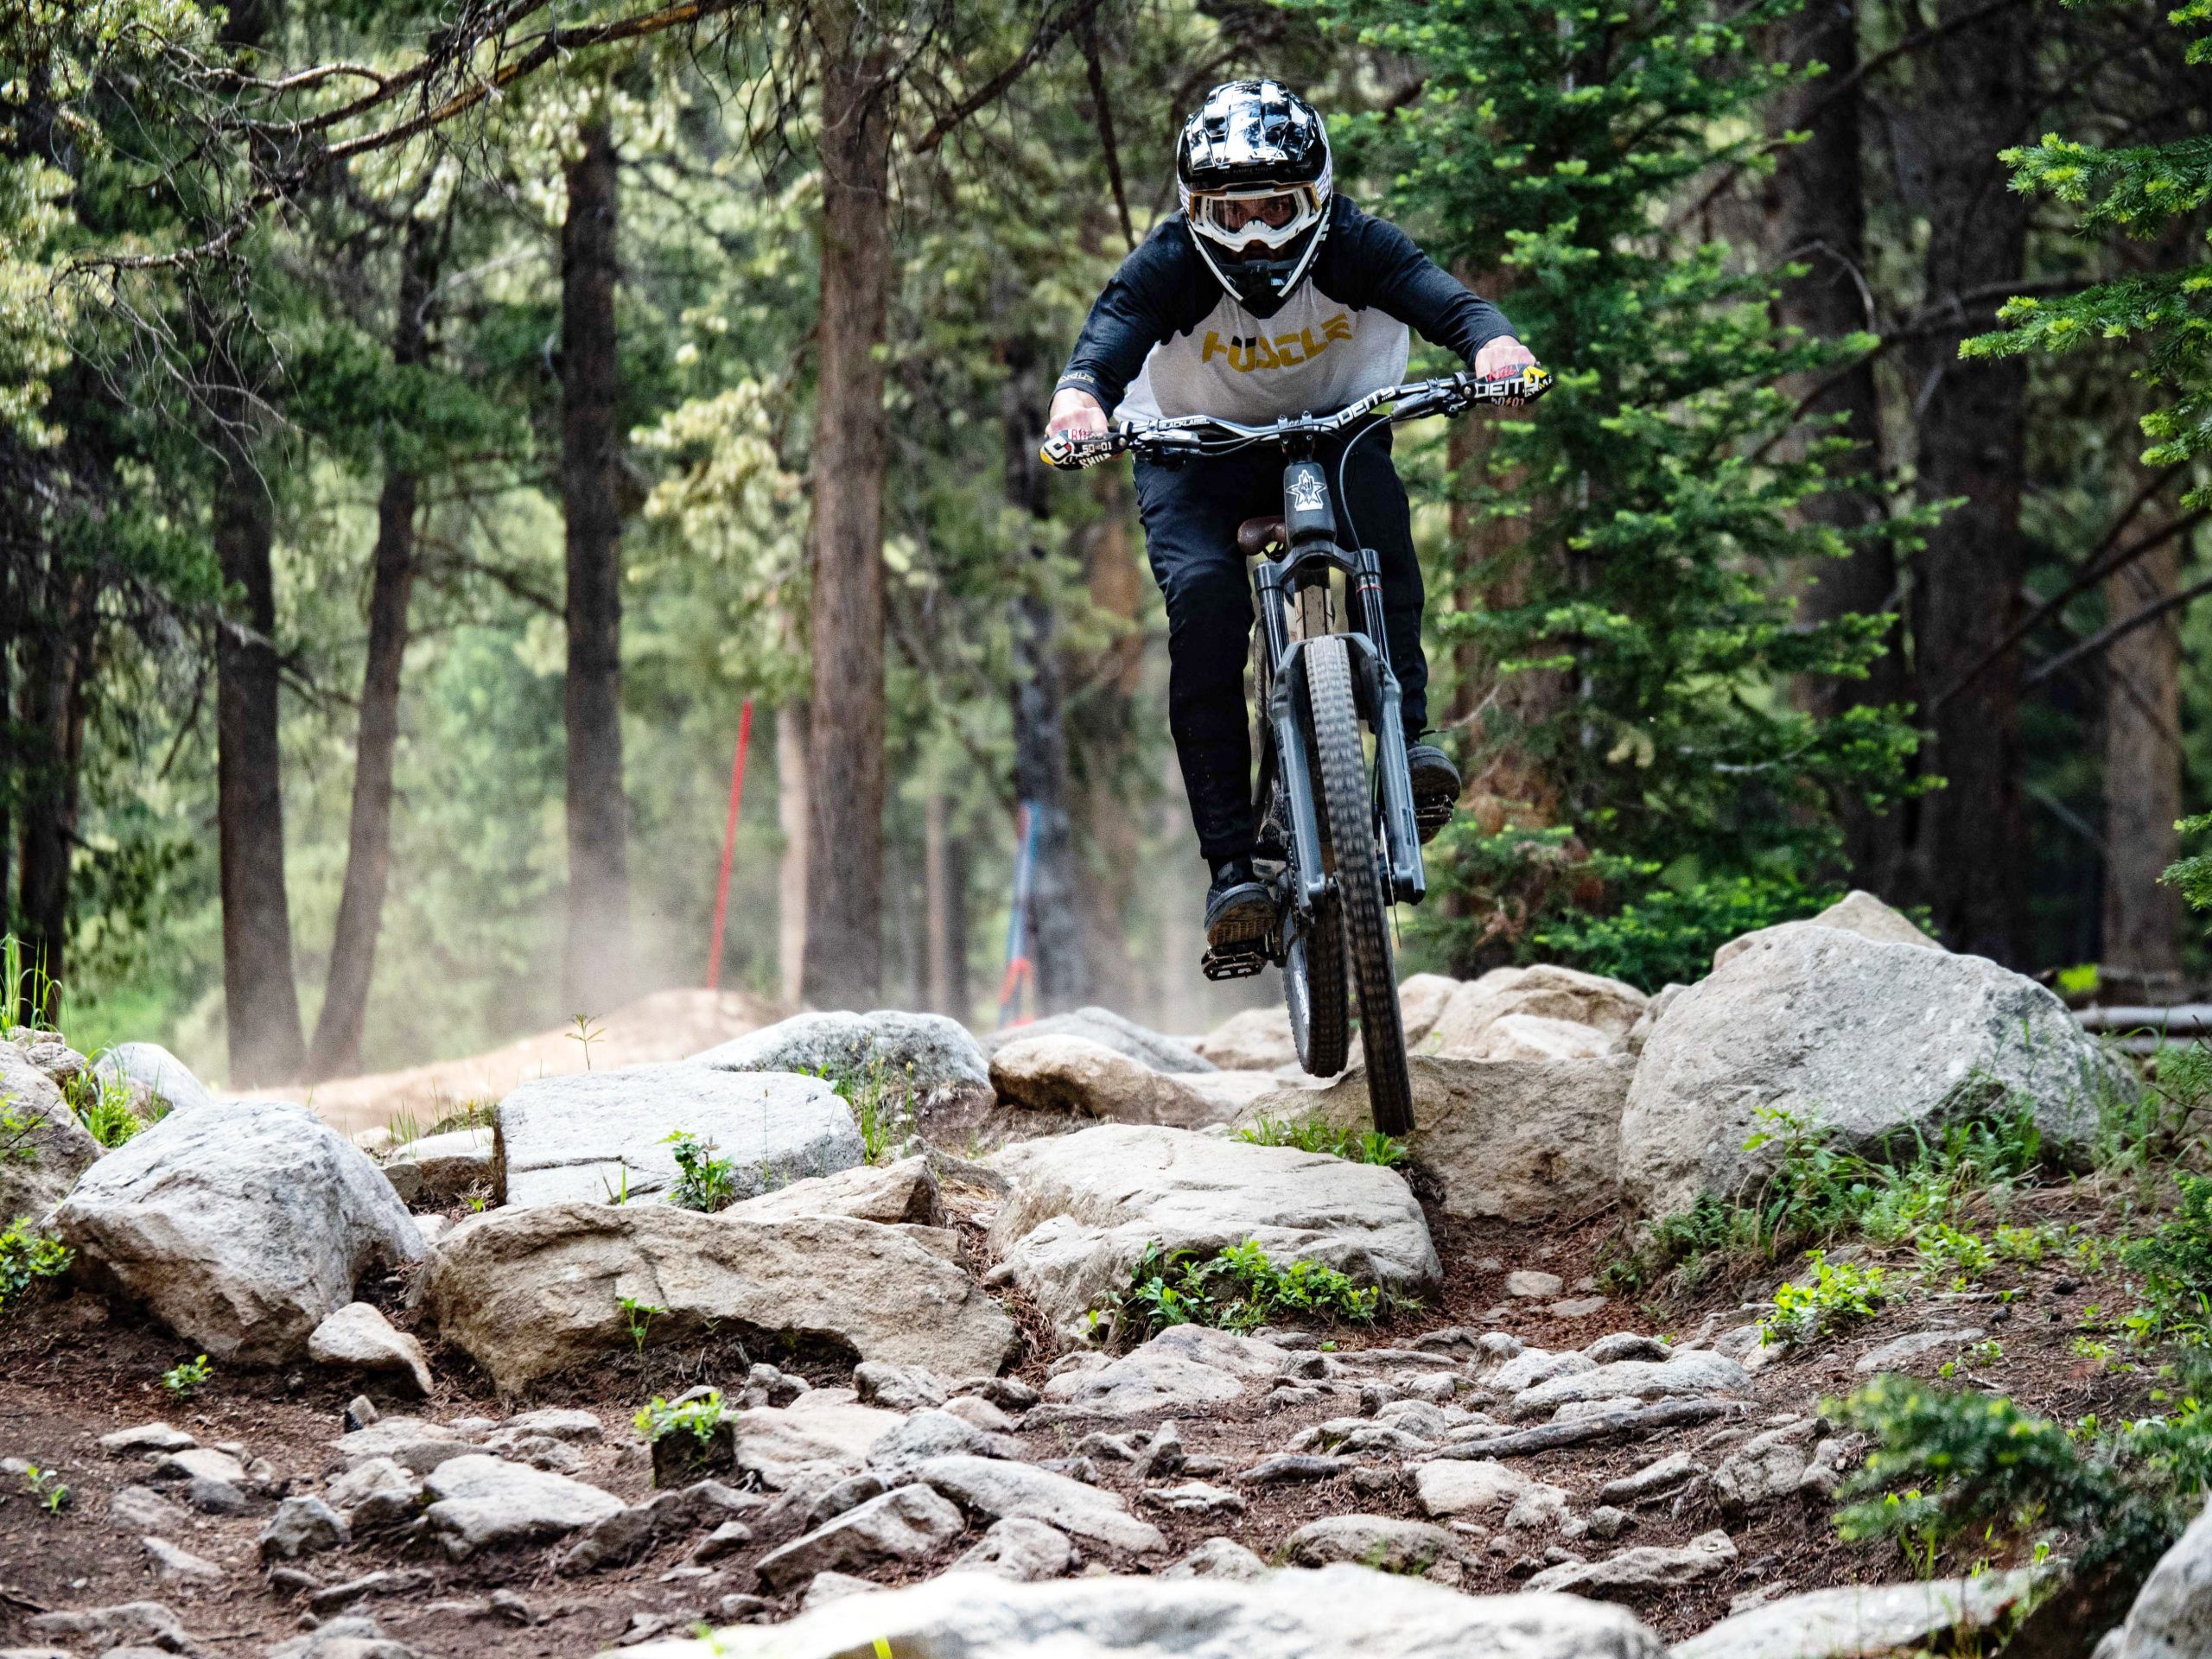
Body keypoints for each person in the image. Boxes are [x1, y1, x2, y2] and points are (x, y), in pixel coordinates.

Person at [1047, 78, 1537, 952]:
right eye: (1227, 214)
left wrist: (1493, 345)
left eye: (1273, 207)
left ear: (1315, 196)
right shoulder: (1167, 265)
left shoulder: (1352, 244)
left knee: (1379, 521)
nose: (1254, 232)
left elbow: (1442, 299)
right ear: (1193, 210)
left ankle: (1411, 740)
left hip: (1330, 436)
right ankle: (1233, 872)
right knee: (1205, 606)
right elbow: (1106, 341)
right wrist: (1080, 401)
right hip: (1194, 457)